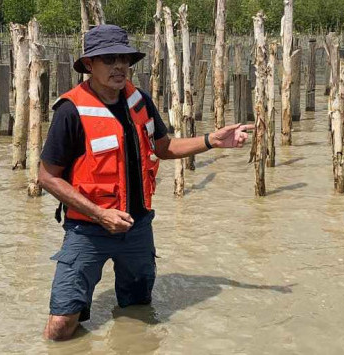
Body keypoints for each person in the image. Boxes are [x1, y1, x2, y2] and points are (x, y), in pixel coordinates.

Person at [38, 24, 252, 341]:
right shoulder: (71, 111)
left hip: (137, 229)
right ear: (88, 65)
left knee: (137, 315)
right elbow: (46, 176)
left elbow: (163, 147)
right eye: (108, 59)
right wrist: (101, 214)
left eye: (124, 58)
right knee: (61, 326)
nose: (119, 66)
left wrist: (211, 141)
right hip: (88, 230)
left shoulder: (140, 100)